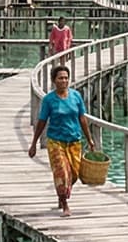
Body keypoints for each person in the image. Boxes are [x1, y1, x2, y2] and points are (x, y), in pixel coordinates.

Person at [28, 65, 95, 217]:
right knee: (62, 173)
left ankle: (61, 194)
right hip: (56, 141)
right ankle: (65, 204)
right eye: (60, 78)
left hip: (74, 141)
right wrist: (34, 143)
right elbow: (42, 122)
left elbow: (82, 118)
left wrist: (90, 139)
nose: (64, 81)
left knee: (75, 174)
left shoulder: (76, 96)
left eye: (66, 78)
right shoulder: (49, 100)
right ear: (54, 80)